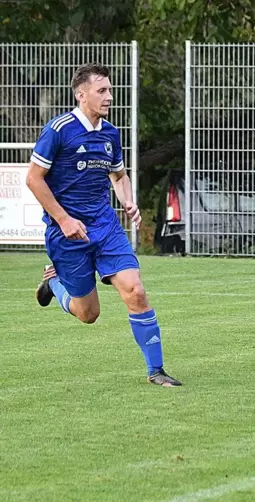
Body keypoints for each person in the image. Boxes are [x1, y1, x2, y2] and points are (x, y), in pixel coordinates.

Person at [27, 63, 181, 387]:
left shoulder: (110, 134)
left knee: (136, 291)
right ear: (82, 95)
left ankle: (156, 370)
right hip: (68, 233)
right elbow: (33, 179)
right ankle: (54, 285)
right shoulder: (58, 130)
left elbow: (119, 175)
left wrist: (127, 201)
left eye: (110, 90)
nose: (109, 96)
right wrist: (65, 219)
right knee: (89, 314)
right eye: (102, 91)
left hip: (106, 226)